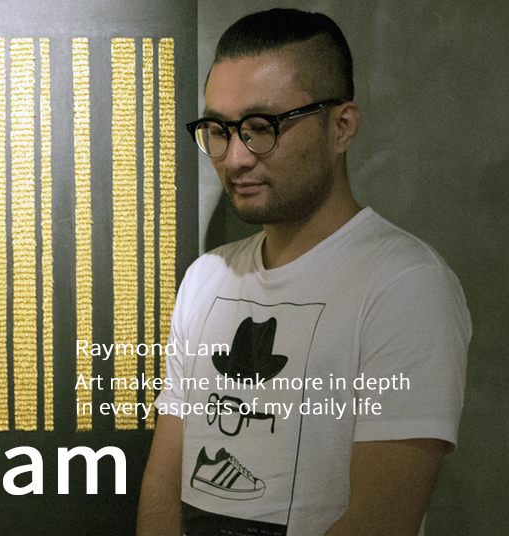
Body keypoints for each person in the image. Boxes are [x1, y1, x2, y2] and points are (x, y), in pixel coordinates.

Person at [137, 8, 470, 536]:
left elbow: (379, 522)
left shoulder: (405, 284)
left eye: (260, 128)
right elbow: (164, 481)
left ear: (341, 127)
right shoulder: (204, 279)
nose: (235, 158)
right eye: (219, 130)